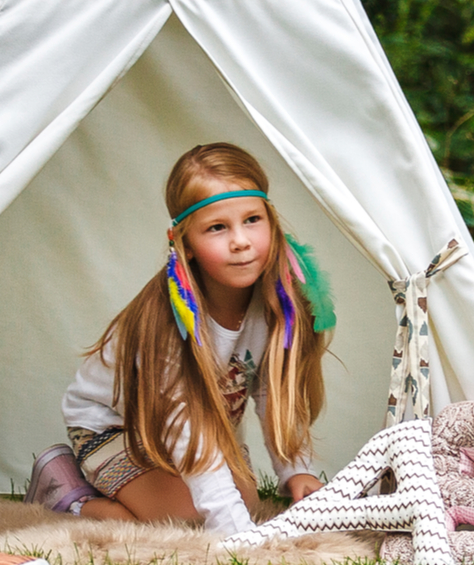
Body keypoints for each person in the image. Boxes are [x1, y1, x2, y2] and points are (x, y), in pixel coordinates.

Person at [26, 143, 331, 533]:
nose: (241, 240)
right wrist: (236, 534)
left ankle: (147, 496)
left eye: (252, 219)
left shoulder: (277, 305)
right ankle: (67, 494)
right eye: (217, 227)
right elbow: (188, 436)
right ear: (184, 243)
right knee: (188, 520)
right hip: (115, 428)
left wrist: (295, 470)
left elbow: (272, 392)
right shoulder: (167, 325)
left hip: (203, 428)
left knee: (247, 501)